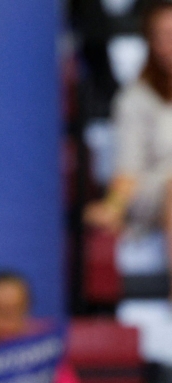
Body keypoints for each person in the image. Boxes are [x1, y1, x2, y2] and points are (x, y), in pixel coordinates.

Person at [84, 0, 172, 283]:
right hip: (155, 194)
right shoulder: (134, 100)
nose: (169, 44)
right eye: (162, 36)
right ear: (150, 42)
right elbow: (128, 169)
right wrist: (113, 207)